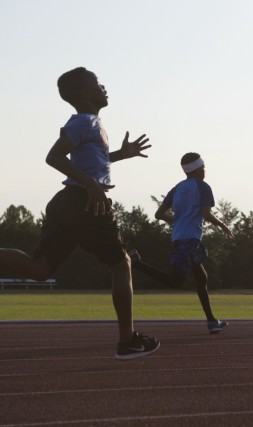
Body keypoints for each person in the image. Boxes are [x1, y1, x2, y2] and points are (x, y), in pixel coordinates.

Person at [0, 67, 160, 360]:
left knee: (39, 269)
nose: (105, 87)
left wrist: (120, 156)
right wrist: (92, 186)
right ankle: (128, 341)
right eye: (99, 83)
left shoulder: (91, 124)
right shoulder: (83, 122)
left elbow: (91, 162)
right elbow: (53, 157)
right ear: (86, 92)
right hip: (85, 203)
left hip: (67, 203)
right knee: (121, 263)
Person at [129, 152, 234, 334]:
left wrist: (176, 221)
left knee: (201, 278)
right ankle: (137, 263)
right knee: (175, 281)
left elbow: (159, 214)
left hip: (179, 237)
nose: (205, 170)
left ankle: (211, 321)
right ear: (198, 169)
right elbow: (207, 214)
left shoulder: (176, 188)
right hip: (190, 239)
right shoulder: (203, 187)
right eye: (203, 167)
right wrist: (223, 225)